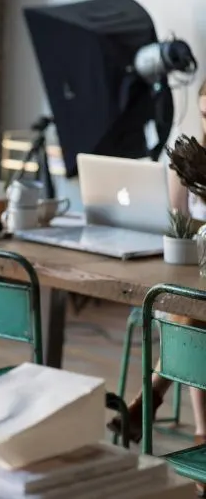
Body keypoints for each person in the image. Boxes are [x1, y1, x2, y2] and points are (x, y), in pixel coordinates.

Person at [107, 77, 206, 497]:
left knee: (190, 313)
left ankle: (152, 401)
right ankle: (201, 433)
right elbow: (180, 226)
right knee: (189, 309)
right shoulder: (191, 158)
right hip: (197, 273)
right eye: (205, 115)